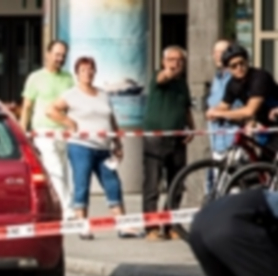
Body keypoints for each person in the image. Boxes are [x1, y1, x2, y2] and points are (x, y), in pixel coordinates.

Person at [47, 56, 139, 240]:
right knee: (82, 185)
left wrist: (118, 143)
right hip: (81, 147)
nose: (87, 73)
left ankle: (122, 226)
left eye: (90, 69)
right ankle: (83, 226)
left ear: (95, 72)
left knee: (113, 184)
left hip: (103, 148)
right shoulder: (71, 94)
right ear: (77, 73)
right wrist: (69, 122)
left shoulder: (103, 94)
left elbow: (111, 119)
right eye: (83, 70)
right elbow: (50, 110)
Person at [141, 46, 195, 241]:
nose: (176, 63)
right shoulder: (159, 77)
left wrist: (191, 128)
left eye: (180, 60)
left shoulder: (183, 84)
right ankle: (151, 228)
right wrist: (168, 72)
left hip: (177, 139)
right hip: (155, 139)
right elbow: (162, 78)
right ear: (163, 62)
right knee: (152, 184)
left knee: (177, 184)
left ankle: (170, 225)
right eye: (171, 59)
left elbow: (186, 109)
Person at [20, 40, 75, 219]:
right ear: (47, 54)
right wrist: (22, 133)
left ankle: (61, 206)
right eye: (57, 55)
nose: (60, 59)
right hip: (43, 132)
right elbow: (27, 107)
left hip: (65, 132)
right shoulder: (35, 78)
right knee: (55, 169)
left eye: (63, 56)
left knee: (66, 171)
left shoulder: (68, 78)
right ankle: (66, 210)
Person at [207, 44, 278, 149]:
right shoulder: (232, 84)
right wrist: (212, 112)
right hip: (266, 124)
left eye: (241, 63)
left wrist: (220, 113)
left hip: (275, 121)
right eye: (233, 66)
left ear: (247, 62)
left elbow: (250, 111)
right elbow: (223, 106)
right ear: (228, 69)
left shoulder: (259, 77)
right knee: (262, 163)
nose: (239, 68)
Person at [205, 39, 242, 192]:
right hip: (216, 142)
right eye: (217, 52)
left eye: (224, 51)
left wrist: (219, 113)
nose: (219, 56)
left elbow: (241, 108)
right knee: (214, 186)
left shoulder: (236, 78)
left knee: (232, 187)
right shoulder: (216, 79)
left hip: (233, 141)